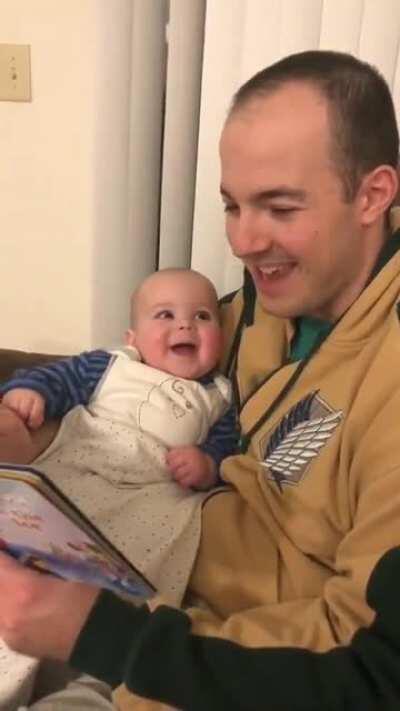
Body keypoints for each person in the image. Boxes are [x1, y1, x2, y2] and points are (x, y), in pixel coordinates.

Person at [0, 48, 400, 710]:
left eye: (277, 207)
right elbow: (145, 386)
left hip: (216, 662)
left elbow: (376, 677)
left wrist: (111, 641)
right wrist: (31, 434)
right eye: (231, 205)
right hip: (160, 591)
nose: (242, 241)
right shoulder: (261, 309)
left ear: (373, 195)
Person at [0, 267, 236, 603]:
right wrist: (30, 391)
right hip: (84, 460)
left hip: (151, 488)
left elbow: (226, 445)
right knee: (37, 509)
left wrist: (206, 464)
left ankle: (104, 600)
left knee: (150, 537)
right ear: (133, 338)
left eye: (202, 316)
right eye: (165, 314)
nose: (185, 325)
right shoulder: (112, 365)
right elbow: (63, 379)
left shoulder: (218, 397)